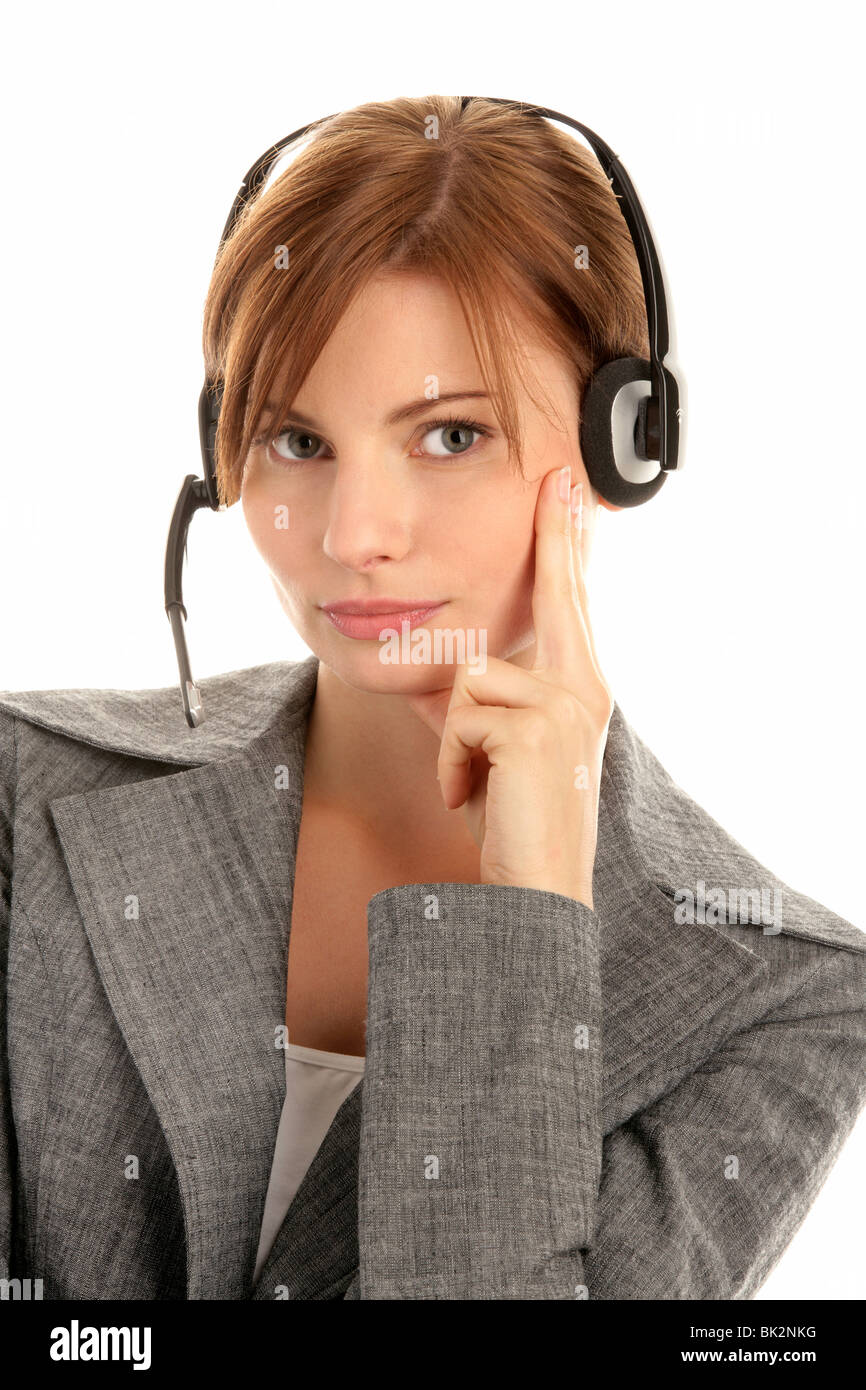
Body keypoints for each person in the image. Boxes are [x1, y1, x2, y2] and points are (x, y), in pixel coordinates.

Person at [1, 94, 864, 1301]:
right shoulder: (22, 789)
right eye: (295, 442)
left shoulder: (781, 996)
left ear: (627, 441)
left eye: (449, 436)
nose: (355, 536)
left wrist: (528, 917)